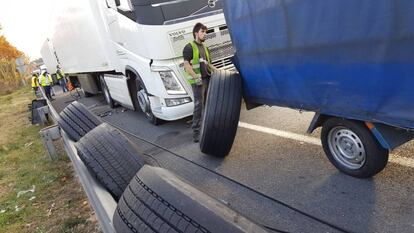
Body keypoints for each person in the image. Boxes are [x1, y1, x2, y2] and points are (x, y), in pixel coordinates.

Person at [183, 22, 217, 142]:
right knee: (199, 105)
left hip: (208, 79)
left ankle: (208, 129)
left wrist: (219, 72)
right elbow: (186, 65)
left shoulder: (205, 48)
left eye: (206, 32)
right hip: (198, 81)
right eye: (202, 32)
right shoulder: (189, 47)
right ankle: (196, 132)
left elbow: (209, 64)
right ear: (196, 33)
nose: (205, 34)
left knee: (208, 104)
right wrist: (196, 77)